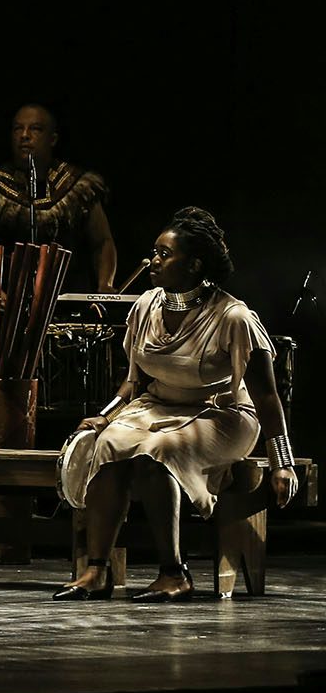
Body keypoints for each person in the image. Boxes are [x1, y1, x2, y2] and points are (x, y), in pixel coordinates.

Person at [55, 208, 298, 603]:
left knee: (159, 450)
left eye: (164, 254)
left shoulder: (233, 316)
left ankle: (174, 573)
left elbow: (267, 396)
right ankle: (96, 570)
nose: (153, 260)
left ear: (195, 264)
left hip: (223, 414)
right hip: (158, 405)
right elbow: (134, 381)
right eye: (155, 251)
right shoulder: (146, 306)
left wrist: (282, 462)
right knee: (108, 444)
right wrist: (104, 415)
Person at [0, 104, 115, 293]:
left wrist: (105, 285)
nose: (24, 135)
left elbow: (102, 242)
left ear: (53, 139)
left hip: (69, 298)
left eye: (35, 129)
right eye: (18, 128)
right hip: (8, 301)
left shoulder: (77, 185)